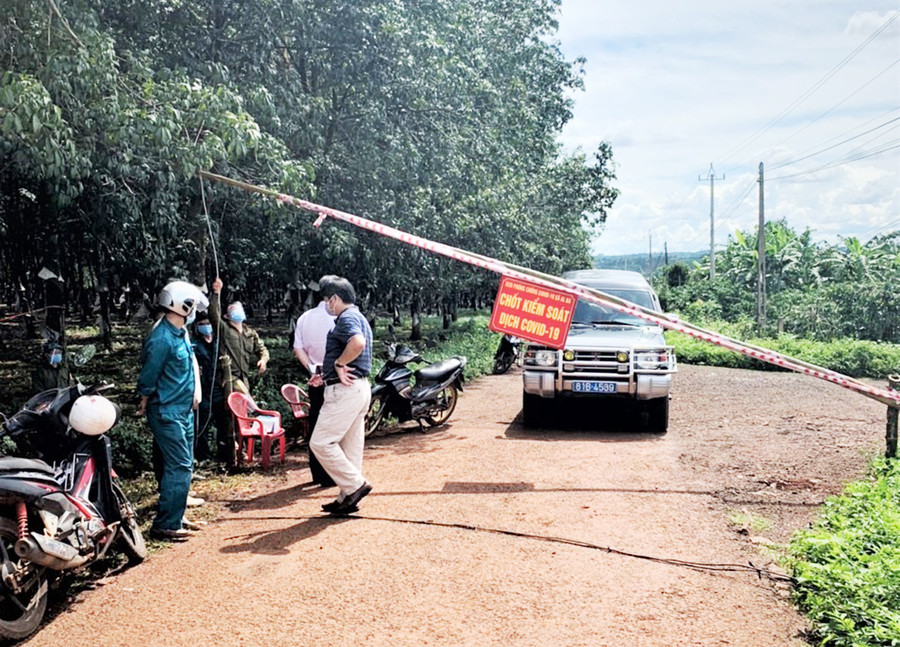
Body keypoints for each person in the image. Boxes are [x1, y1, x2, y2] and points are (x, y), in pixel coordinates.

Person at [136, 281, 207, 541]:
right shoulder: (161, 338)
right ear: (182, 306)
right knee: (179, 465)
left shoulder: (181, 333)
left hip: (184, 410)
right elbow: (148, 376)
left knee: (181, 466)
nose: (196, 312)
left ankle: (176, 516)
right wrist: (144, 400)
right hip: (167, 412)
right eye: (193, 307)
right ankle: (165, 524)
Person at [309, 277, 374, 514]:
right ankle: (347, 495)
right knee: (350, 446)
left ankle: (355, 485)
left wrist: (338, 363)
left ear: (335, 298)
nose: (326, 304)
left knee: (321, 442)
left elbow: (357, 343)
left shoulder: (346, 317)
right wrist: (325, 373)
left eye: (326, 300)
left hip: (345, 390)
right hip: (359, 388)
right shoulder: (360, 317)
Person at [292, 276, 339, 487]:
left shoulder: (305, 318)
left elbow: (298, 348)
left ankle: (318, 474)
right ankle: (334, 475)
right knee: (335, 428)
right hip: (335, 380)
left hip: (315, 379)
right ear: (334, 297)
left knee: (315, 425)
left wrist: (312, 369)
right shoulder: (338, 319)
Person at [209, 278, 269, 394]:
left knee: (243, 405)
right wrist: (216, 293)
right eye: (233, 309)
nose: (237, 311)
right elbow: (213, 314)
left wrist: (263, 360)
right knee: (246, 403)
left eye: (239, 309)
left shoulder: (250, 333)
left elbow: (262, 349)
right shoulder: (224, 329)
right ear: (227, 315)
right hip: (228, 378)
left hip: (244, 378)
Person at [191, 312, 228, 464]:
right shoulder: (194, 343)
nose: (205, 327)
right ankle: (203, 456)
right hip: (203, 389)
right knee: (202, 424)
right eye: (201, 324)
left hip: (218, 388)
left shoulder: (219, 342)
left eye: (207, 323)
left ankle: (224, 453)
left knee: (223, 422)